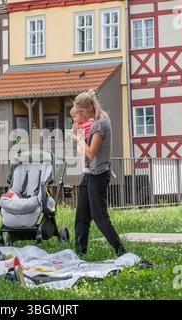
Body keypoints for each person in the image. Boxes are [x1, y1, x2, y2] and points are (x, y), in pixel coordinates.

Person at [72, 89, 126, 257]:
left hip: (98, 175)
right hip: (89, 174)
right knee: (81, 215)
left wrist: (79, 136)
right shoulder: (99, 119)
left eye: (81, 112)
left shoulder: (100, 123)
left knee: (99, 216)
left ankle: (121, 250)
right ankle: (79, 253)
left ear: (90, 108)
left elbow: (90, 152)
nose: (79, 116)